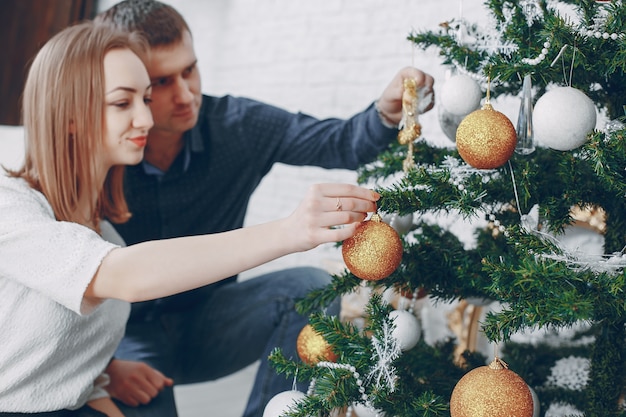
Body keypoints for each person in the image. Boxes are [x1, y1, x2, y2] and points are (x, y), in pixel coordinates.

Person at [0, 21, 381, 416]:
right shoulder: (10, 207)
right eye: (121, 102)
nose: (145, 119)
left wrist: (102, 374)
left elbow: (56, 350)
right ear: (68, 116)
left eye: (145, 99)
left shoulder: (105, 231)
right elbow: (123, 275)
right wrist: (289, 231)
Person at [95, 1, 435, 416]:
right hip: (123, 338)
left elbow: (340, 141)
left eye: (190, 70)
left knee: (309, 286)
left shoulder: (237, 125)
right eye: (161, 81)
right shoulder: (97, 152)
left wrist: (386, 111)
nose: (185, 95)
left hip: (211, 323)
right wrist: (105, 366)